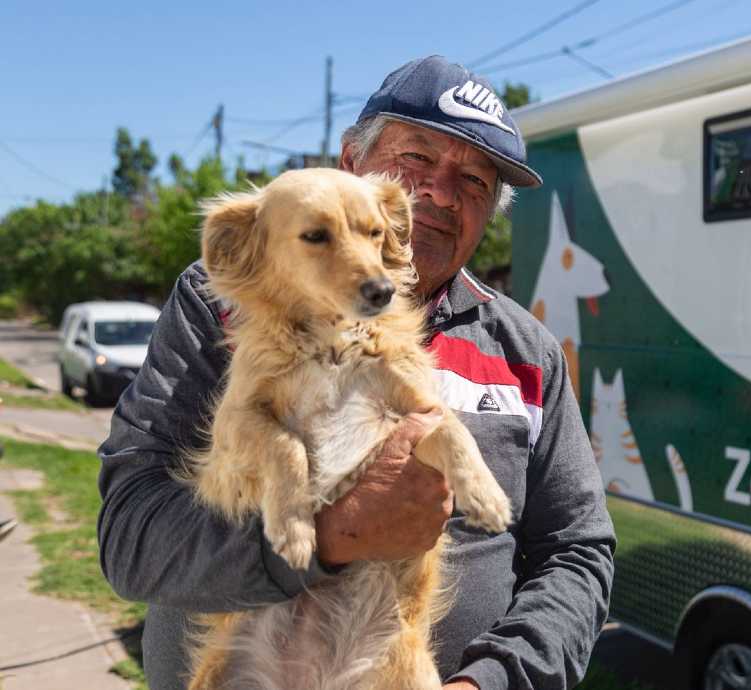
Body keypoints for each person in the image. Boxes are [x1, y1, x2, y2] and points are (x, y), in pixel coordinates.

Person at [96, 55, 616, 690]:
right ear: (351, 164)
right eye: (417, 159)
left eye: (476, 182)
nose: (442, 194)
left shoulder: (527, 349)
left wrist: (494, 681)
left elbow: (577, 552)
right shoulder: (221, 305)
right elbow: (131, 536)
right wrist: (331, 537)